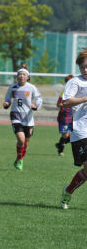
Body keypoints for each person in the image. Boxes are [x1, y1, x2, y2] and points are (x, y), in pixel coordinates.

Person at [60, 48, 87, 210]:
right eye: (82, 67)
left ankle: (68, 190)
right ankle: (68, 191)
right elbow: (66, 102)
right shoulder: (75, 82)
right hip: (81, 130)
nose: (85, 69)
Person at [3, 64, 43, 171]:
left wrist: (36, 106)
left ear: (27, 77)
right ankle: (20, 160)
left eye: (23, 74)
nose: (21, 76)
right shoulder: (12, 87)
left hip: (28, 117)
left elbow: (39, 99)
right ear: (17, 76)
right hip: (16, 115)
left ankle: (19, 158)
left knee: (25, 144)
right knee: (21, 140)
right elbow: (7, 99)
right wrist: (6, 103)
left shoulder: (31, 88)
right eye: (19, 74)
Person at [55, 75, 74, 156]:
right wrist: (68, 104)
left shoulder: (76, 91)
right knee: (66, 134)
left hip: (74, 116)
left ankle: (60, 144)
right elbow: (59, 104)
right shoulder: (64, 92)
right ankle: (60, 150)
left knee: (75, 134)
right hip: (65, 116)